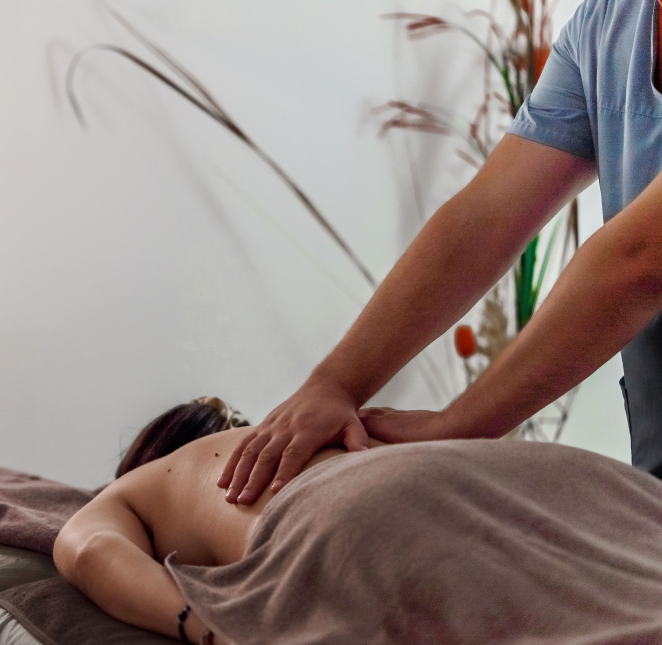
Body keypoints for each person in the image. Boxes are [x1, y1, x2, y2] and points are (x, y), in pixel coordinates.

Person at [217, 0, 662, 506]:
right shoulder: (606, 23)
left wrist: (454, 427)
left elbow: (640, 260)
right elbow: (488, 213)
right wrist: (335, 383)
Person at [54, 398, 662, 645]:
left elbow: (87, 551)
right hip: (559, 474)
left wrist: (210, 628)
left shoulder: (138, 488)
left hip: (364, 507)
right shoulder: (316, 430)